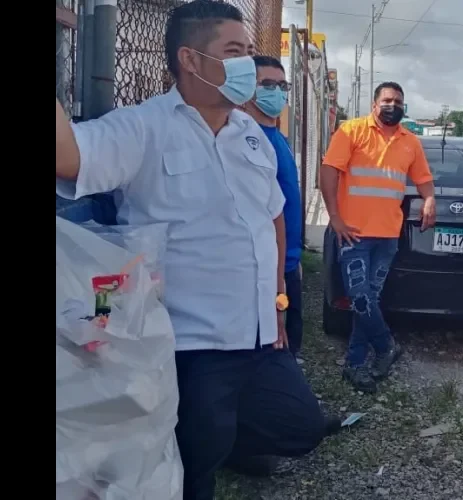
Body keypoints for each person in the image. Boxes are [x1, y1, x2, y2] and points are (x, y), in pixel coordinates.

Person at [55, 2, 328, 499]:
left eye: (249, 51)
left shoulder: (252, 136)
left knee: (300, 425)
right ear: (191, 59)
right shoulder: (142, 128)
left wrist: (278, 300)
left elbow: (270, 218)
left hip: (260, 336)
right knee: (193, 464)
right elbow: (67, 155)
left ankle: (218, 440)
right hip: (190, 345)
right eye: (234, 52)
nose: (248, 64)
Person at [319, 81, 436, 393]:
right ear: (374, 104)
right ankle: (386, 346)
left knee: (367, 300)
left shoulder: (410, 141)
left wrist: (429, 199)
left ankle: (355, 364)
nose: (393, 105)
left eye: (398, 101)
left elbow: (423, 178)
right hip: (353, 234)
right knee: (359, 298)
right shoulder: (352, 131)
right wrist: (335, 218)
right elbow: (329, 171)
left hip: (387, 236)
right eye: (387, 100)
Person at [242, 55, 306, 363]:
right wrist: (277, 282)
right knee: (276, 347)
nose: (277, 92)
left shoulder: (277, 138)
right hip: (270, 269)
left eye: (282, 85)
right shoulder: (247, 141)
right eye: (267, 85)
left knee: (292, 340)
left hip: (288, 262)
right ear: (247, 89)